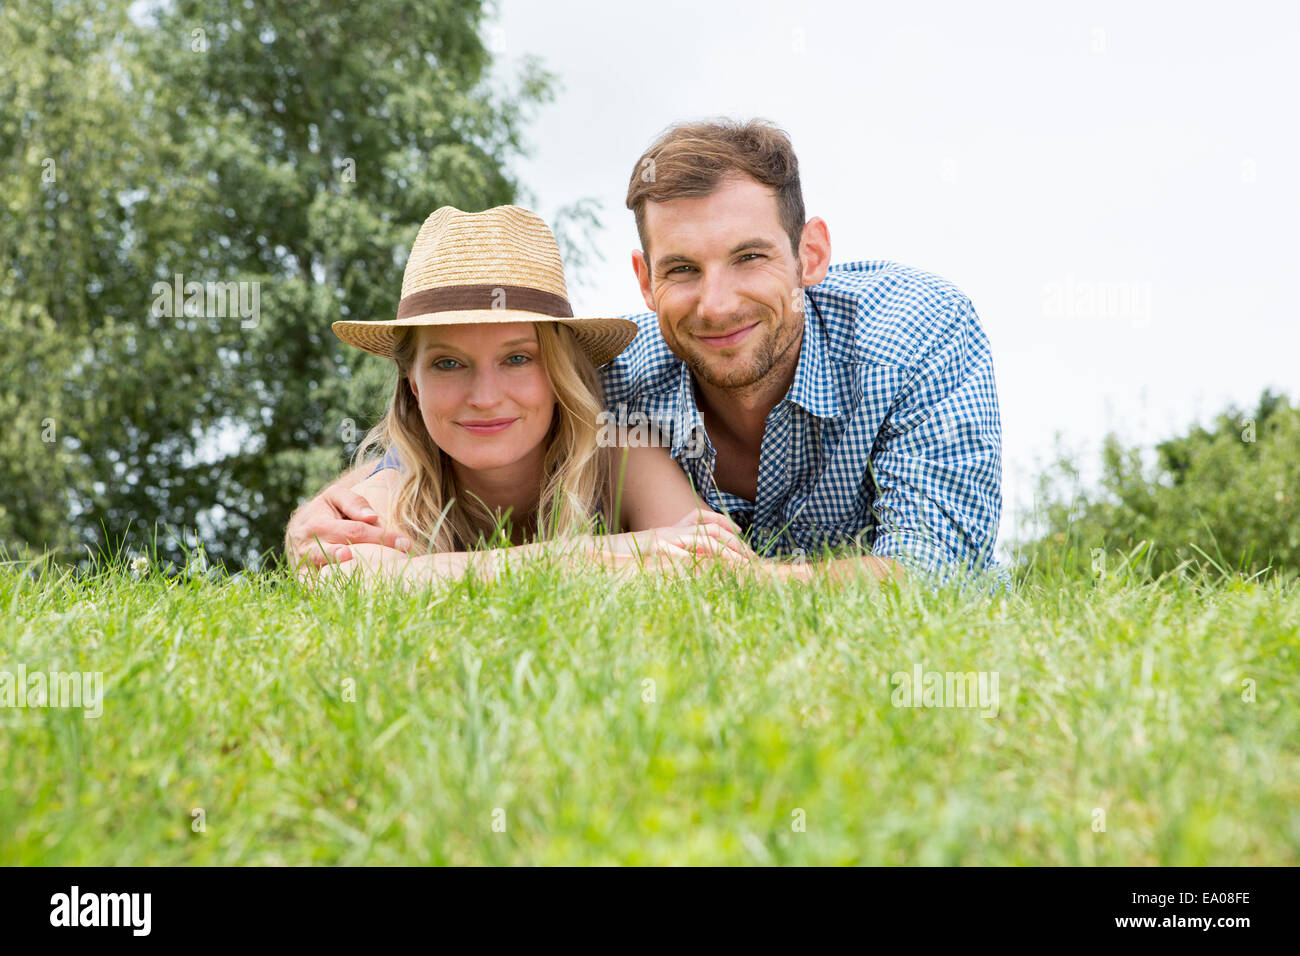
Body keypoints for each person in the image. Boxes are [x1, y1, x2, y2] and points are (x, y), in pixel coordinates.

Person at [288, 118, 1006, 590]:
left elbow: (943, 575)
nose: (716, 303)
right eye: (684, 268)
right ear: (645, 279)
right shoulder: (611, 384)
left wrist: (744, 582)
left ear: (809, 253)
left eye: (750, 256)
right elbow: (431, 450)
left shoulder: (913, 335)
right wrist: (313, 525)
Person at [295, 203, 751, 587]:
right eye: (448, 364)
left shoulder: (618, 454)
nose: (485, 397)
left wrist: (428, 574)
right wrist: (618, 552)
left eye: (517, 359)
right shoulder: (400, 487)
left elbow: (708, 566)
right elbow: (354, 584)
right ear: (414, 385)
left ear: (558, 373)